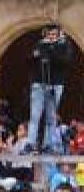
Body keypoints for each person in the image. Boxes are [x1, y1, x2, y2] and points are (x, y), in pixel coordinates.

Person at [29, 24, 74, 154]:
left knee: (51, 117)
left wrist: (52, 49)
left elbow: (65, 61)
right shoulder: (40, 44)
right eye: (49, 35)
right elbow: (32, 59)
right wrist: (42, 49)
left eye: (54, 35)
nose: (51, 37)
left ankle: (49, 144)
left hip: (55, 84)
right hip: (39, 83)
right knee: (35, 115)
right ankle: (31, 144)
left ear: (59, 35)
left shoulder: (64, 46)